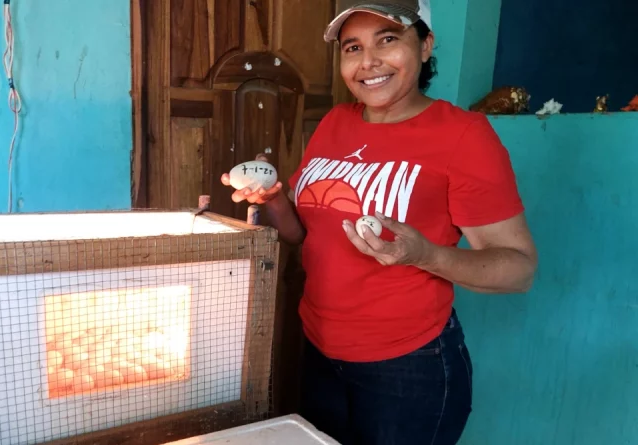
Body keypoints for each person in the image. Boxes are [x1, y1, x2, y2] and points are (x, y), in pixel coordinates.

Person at [221, 0, 538, 444]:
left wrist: (425, 254)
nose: (368, 62)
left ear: (426, 45)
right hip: (318, 348)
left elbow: (519, 269)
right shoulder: (336, 122)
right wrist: (273, 200)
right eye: (353, 47)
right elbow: (302, 236)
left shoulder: (464, 135)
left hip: (408, 366)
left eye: (387, 40)